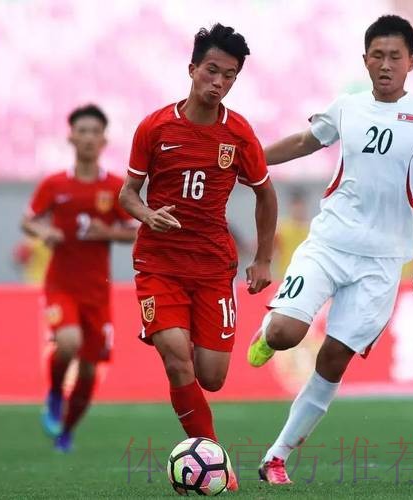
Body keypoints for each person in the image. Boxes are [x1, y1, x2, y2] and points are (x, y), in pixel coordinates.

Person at [245, 15, 413, 484]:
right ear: (365, 60)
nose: (386, 65)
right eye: (378, 56)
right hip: (329, 244)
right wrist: (249, 158)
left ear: (412, 62)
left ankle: (276, 457)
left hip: (382, 262)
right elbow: (305, 141)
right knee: (288, 333)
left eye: (395, 57)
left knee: (334, 358)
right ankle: (268, 334)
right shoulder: (347, 108)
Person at [118, 23, 278, 491]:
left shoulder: (239, 134)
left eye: (229, 76)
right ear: (192, 69)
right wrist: (148, 215)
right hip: (159, 264)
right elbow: (128, 193)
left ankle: (172, 332)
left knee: (212, 377)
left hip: (212, 268)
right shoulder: (154, 127)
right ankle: (216, 462)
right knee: (176, 359)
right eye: (212, 70)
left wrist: (263, 259)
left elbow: (266, 195)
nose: (219, 82)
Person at [21, 104, 137, 452]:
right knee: (68, 342)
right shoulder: (55, 184)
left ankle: (66, 431)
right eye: (82, 131)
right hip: (61, 284)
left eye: (95, 132)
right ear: (71, 137)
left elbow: (135, 230)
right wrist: (44, 232)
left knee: (88, 370)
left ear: (104, 140)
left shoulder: (115, 187)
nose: (88, 137)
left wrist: (107, 232)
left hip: (97, 292)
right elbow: (28, 220)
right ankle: (56, 392)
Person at [273, 188, 310, 280]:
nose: (298, 208)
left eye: (300, 204)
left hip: (305, 277)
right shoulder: (281, 228)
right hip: (285, 277)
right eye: (295, 204)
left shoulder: (312, 229)